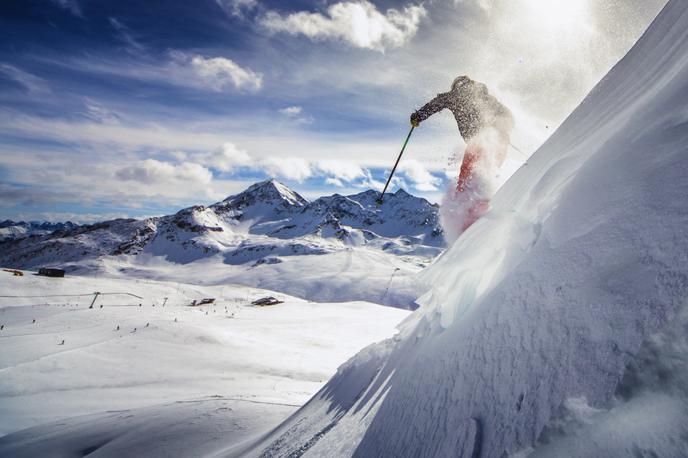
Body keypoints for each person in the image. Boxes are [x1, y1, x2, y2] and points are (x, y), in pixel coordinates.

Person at [410, 76, 514, 233]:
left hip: (485, 139)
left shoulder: (456, 96)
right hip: (498, 141)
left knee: (469, 172)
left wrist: (419, 116)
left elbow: (436, 104)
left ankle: (468, 207)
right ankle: (482, 204)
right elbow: (508, 117)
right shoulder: (485, 96)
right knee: (487, 172)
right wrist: (501, 126)